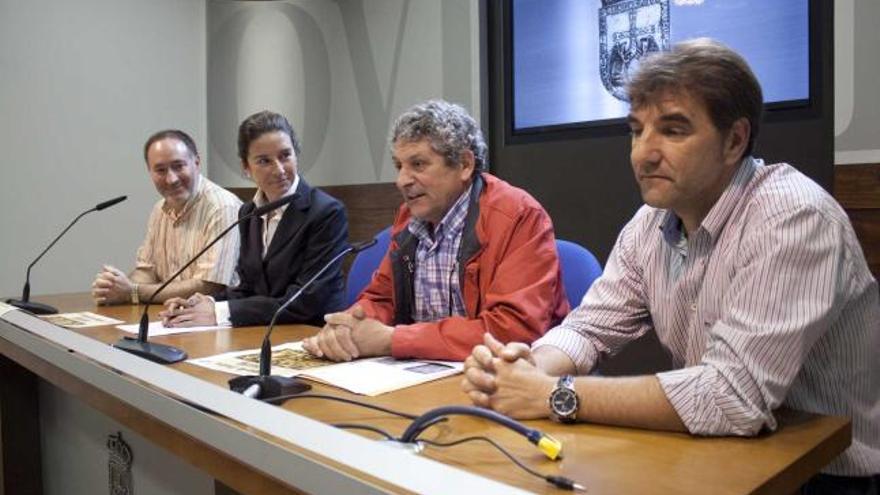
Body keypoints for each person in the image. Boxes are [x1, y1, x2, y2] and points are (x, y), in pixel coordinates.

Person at [462, 39, 880, 493]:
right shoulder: (650, 224)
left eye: (673, 130)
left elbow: (731, 398)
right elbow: (588, 329)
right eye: (637, 130)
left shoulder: (793, 217)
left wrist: (551, 394)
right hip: (725, 450)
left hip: (824, 474)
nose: (644, 153)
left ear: (734, 140)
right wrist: (526, 366)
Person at [302, 100, 568, 362]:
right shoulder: (409, 219)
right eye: (399, 166)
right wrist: (348, 327)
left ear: (464, 164)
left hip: (507, 378)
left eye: (418, 164)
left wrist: (393, 340)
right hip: (423, 375)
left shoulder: (519, 215)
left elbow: (512, 331)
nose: (401, 180)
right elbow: (382, 298)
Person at [160, 111, 348, 327]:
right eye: (264, 161)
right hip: (264, 331)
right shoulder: (249, 213)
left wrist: (220, 312)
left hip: (312, 333)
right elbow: (248, 289)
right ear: (246, 167)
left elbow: (305, 301)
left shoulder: (326, 212)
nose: (279, 169)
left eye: (285, 155)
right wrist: (203, 304)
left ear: (296, 154)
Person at [91, 130, 241, 305]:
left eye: (178, 166)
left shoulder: (222, 207)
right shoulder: (159, 210)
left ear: (196, 162)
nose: (171, 179)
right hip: (169, 315)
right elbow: (147, 271)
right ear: (150, 172)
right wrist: (115, 286)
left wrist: (133, 292)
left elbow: (210, 286)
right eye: (160, 170)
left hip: (212, 320)